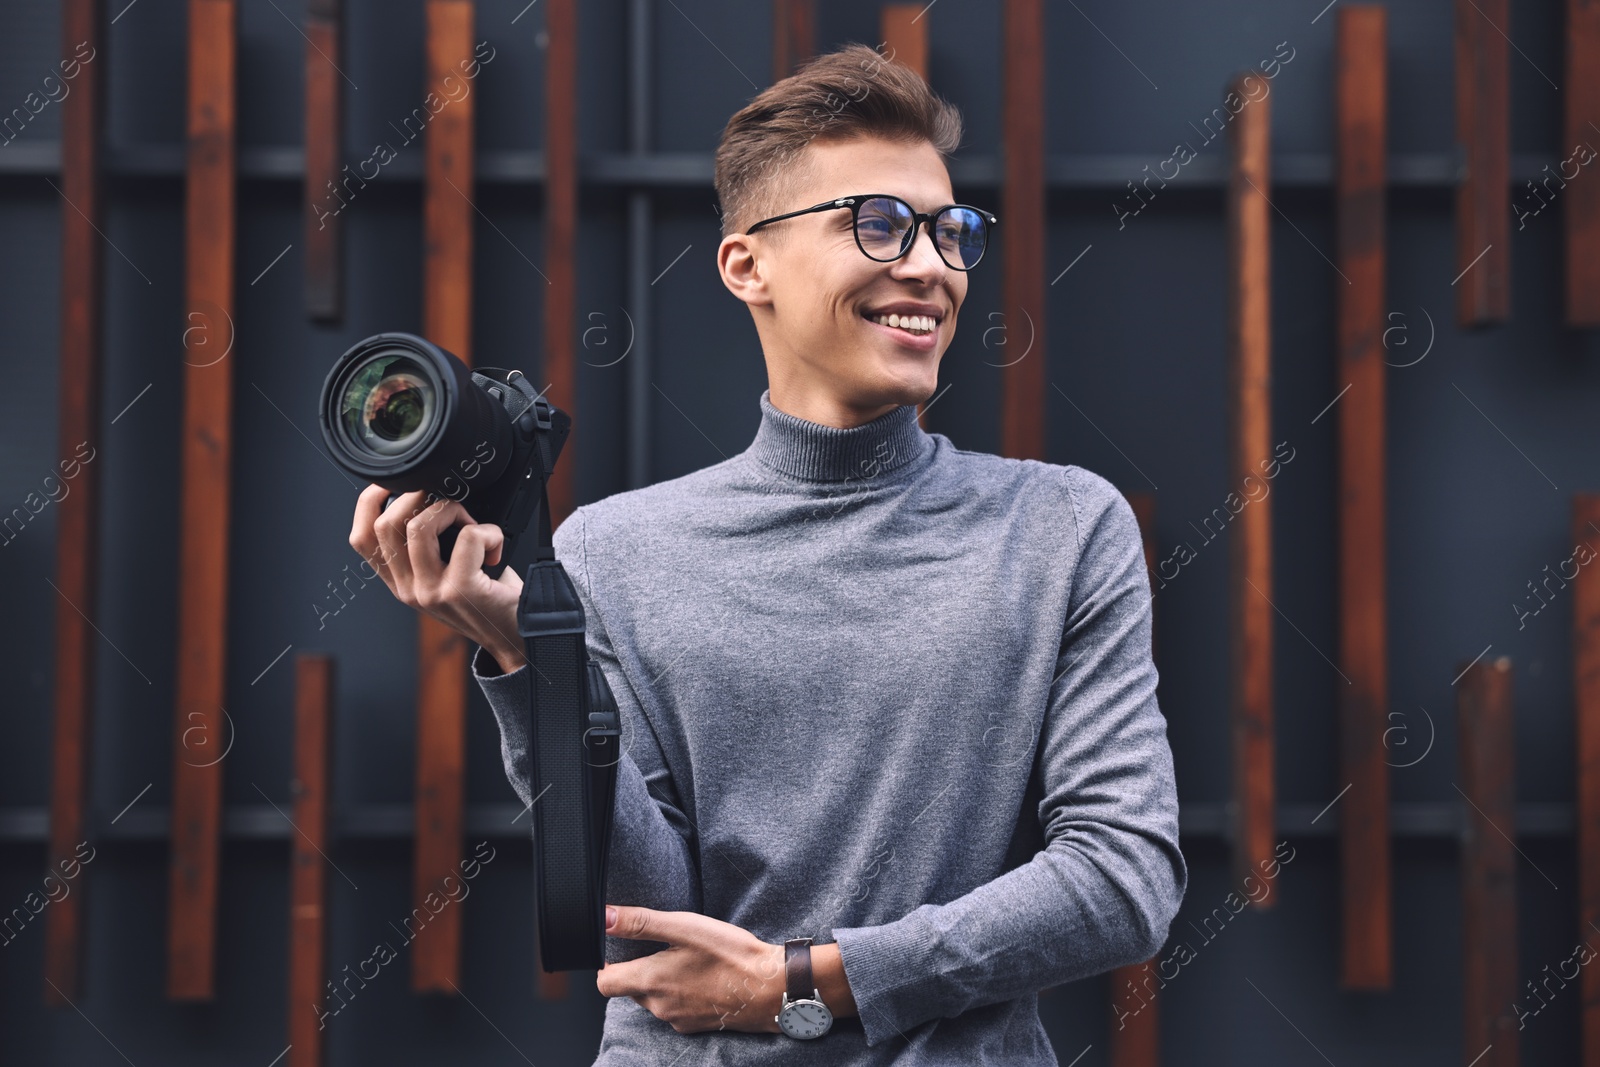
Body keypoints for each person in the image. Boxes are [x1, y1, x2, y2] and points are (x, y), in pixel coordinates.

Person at [348, 40, 1185, 1066]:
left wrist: (803, 982)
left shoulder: (1061, 527)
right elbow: (647, 912)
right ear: (748, 264)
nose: (927, 264)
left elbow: (1121, 878)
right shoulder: (614, 550)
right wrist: (528, 662)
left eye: (948, 230)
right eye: (875, 223)